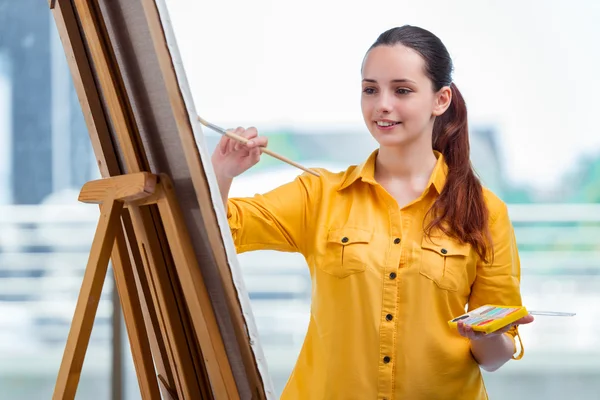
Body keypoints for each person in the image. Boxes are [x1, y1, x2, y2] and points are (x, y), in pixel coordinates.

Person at [211, 25, 534, 400]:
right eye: (370, 89)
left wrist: (489, 334)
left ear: (440, 99)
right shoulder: (320, 194)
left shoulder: (484, 211)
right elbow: (223, 231)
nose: (382, 104)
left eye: (402, 90)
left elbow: (494, 358)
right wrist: (222, 172)